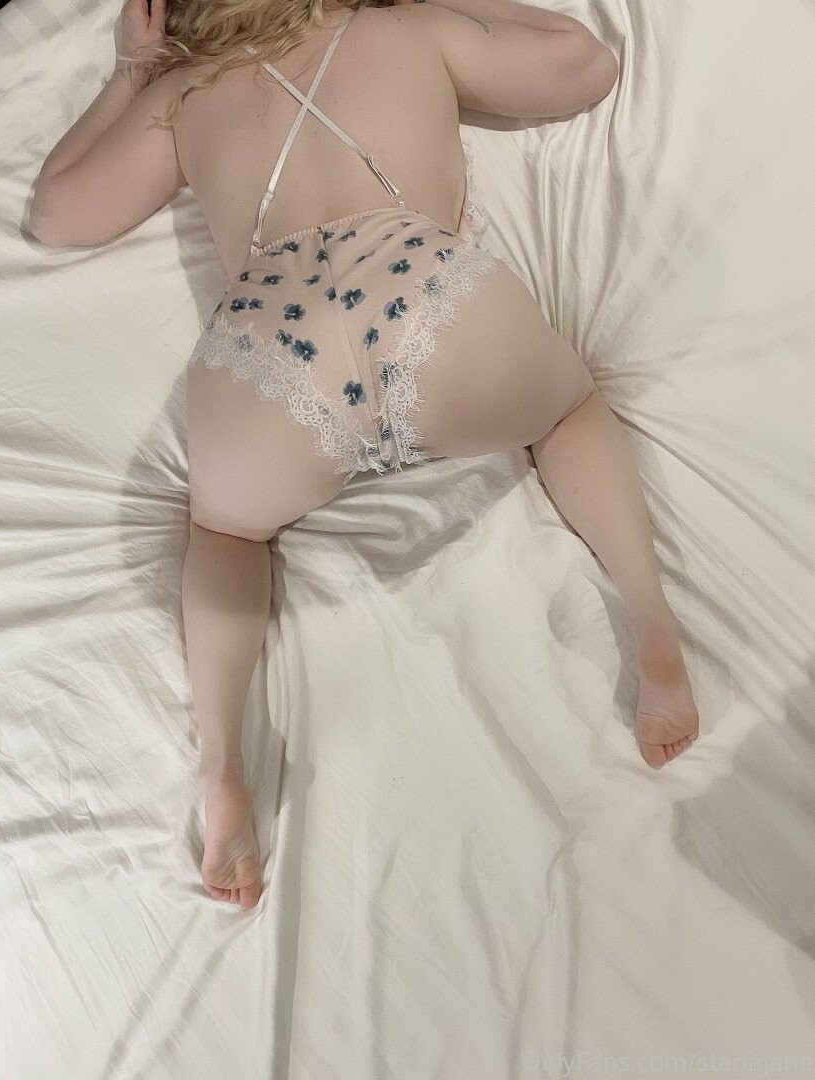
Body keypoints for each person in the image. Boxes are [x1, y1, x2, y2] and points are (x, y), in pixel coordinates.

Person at [37, 0, 700, 910]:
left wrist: (130, 72)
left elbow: (59, 213)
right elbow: (583, 65)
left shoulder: (186, 94)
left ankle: (222, 764)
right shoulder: (402, 32)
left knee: (225, 533)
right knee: (569, 409)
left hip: (274, 348)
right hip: (423, 296)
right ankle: (653, 627)